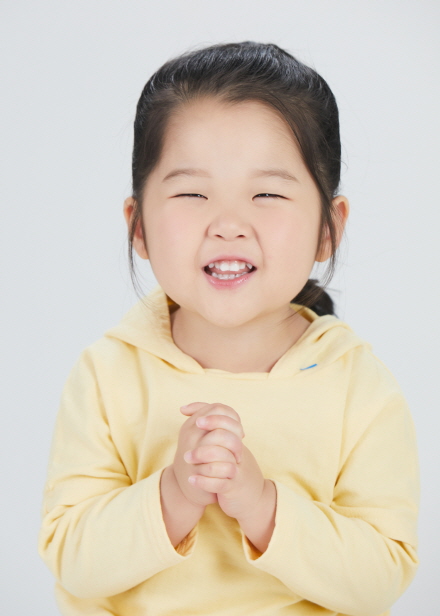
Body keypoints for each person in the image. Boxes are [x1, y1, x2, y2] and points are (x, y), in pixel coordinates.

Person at [38, 41, 420, 616]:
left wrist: (263, 507)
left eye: (267, 193)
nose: (228, 224)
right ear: (138, 226)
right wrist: (173, 495)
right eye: (192, 192)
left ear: (328, 228)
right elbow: (72, 559)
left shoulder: (359, 387)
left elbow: (380, 579)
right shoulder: (108, 373)